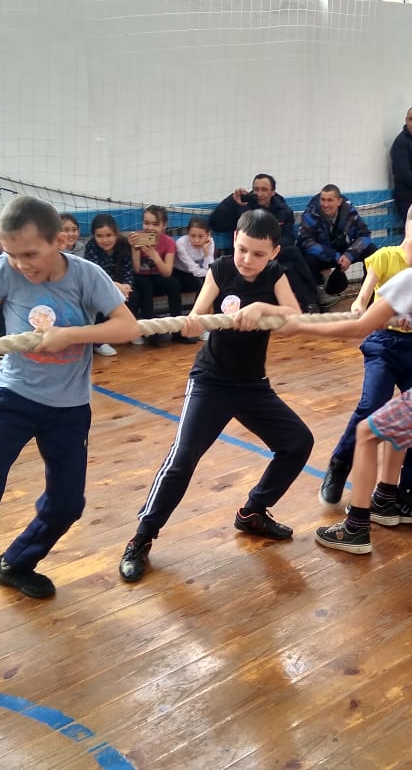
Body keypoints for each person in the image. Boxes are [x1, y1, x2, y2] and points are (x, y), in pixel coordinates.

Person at [0, 195, 140, 652]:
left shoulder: (86, 276)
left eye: (30, 253)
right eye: (11, 253)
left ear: (58, 241)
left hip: (69, 407)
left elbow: (127, 327)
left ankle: (15, 563)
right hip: (14, 399)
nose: (21, 264)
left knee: (67, 504)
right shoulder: (5, 270)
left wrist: (71, 335)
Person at [281, 196, 412, 555]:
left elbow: (359, 327)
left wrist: (299, 326)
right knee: (398, 425)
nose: (402, 243)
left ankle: (355, 528)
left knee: (366, 434)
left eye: (407, 235)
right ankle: (384, 498)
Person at [117, 209, 314, 582]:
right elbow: (199, 312)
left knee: (298, 443)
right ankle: (141, 537)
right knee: (182, 458)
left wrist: (262, 308)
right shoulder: (221, 269)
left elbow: (293, 318)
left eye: (258, 253)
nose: (248, 259)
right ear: (234, 240)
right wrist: (193, 322)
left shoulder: (275, 275)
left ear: (274, 252)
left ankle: (253, 511)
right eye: (243, 249)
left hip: (253, 385)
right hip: (211, 382)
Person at [316, 243, 412, 522]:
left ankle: (410, 492)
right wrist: (362, 308)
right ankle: (340, 463)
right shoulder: (386, 257)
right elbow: (363, 298)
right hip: (384, 344)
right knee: (372, 405)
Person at [209, 173, 317, 312]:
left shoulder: (282, 210)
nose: (259, 194)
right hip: (245, 254)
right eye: (256, 189)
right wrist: (231, 201)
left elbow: (288, 238)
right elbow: (215, 223)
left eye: (264, 190)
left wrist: (269, 248)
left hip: (272, 253)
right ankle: (310, 300)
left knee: (292, 255)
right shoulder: (244, 205)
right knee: (290, 262)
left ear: (273, 192)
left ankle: (310, 301)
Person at [296, 184, 378, 310]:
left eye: (330, 200)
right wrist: (335, 256)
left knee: (371, 251)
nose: (325, 204)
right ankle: (315, 300)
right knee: (306, 256)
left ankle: (368, 294)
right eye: (323, 200)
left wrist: (349, 255)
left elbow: (364, 234)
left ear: (339, 201)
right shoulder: (311, 213)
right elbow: (306, 241)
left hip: (344, 252)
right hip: (323, 255)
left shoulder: (349, 212)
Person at [129, 205, 185, 345]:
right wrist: (134, 249)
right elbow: (136, 269)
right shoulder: (138, 237)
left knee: (173, 283)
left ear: (164, 225)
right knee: (145, 285)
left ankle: (178, 330)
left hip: (158, 276)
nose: (150, 228)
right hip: (141, 278)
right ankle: (150, 332)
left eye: (155, 224)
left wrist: (155, 256)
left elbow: (167, 272)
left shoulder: (169, 242)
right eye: (146, 223)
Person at [84, 212, 137, 355]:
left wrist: (127, 286)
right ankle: (99, 342)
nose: (105, 240)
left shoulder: (123, 245)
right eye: (99, 236)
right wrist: (116, 287)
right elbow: (95, 275)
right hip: (98, 286)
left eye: (109, 235)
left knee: (135, 294)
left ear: (116, 233)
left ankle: (131, 330)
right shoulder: (91, 247)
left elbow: (128, 269)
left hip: (120, 285)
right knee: (97, 300)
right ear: (94, 236)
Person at [172, 215, 215, 298]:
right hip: (180, 273)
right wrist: (211, 274)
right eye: (192, 236)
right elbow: (195, 270)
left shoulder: (210, 243)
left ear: (208, 235)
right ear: (188, 233)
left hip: (201, 273)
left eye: (201, 236)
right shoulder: (181, 244)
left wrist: (206, 252)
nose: (196, 240)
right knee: (201, 283)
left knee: (209, 282)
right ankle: (199, 306)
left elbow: (210, 268)